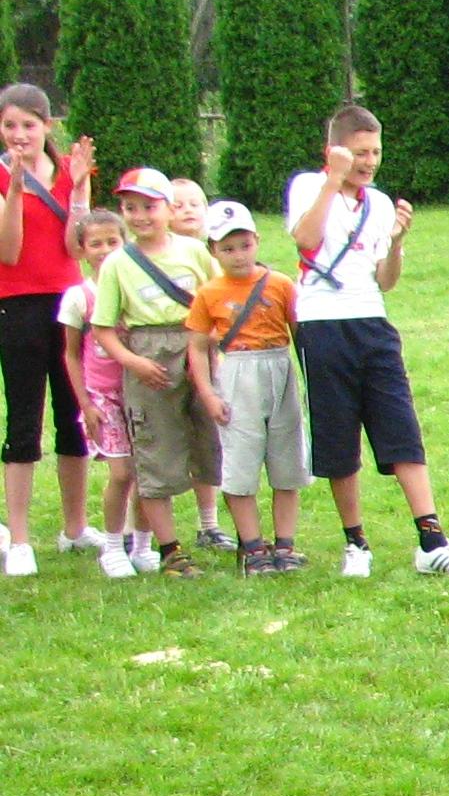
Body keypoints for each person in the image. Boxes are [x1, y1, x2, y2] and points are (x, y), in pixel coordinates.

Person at [286, 104, 449, 577]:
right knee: (338, 435)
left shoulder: (377, 203)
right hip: (322, 323)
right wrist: (333, 182)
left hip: (371, 322)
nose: (370, 162)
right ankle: (355, 543)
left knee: (399, 425)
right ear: (334, 152)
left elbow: (385, 280)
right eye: (360, 153)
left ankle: (432, 539)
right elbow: (306, 239)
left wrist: (396, 242)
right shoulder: (309, 187)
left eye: (375, 152)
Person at [89, 167, 220, 580]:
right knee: (154, 449)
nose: (140, 216)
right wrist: (134, 362)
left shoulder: (194, 252)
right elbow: (103, 327)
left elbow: (217, 301)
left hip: (195, 345)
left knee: (210, 442)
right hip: (147, 353)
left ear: (168, 209)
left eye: (149, 206)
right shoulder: (117, 264)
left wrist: (209, 351)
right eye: (131, 208)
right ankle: (170, 549)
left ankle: (232, 533)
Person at [0, 83, 93, 576]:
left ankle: (75, 528)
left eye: (29, 125)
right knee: (24, 420)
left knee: (74, 416)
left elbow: (77, 248)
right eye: (9, 125)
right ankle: (19, 539)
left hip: (69, 304)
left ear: (47, 126)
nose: (19, 135)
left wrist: (77, 189)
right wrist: (15, 190)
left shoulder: (68, 170)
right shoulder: (1, 175)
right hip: (16, 306)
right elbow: (9, 251)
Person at [184, 202, 307, 574]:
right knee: (240, 462)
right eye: (227, 248)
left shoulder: (280, 284)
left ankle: (285, 544)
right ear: (213, 250)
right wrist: (208, 393)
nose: (238, 255)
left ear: (257, 241)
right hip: (238, 370)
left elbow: (299, 334)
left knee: (287, 459)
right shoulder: (209, 293)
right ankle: (253, 547)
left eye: (244, 245)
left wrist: (310, 381)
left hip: (279, 367)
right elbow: (197, 346)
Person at [56, 208, 135, 572]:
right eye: (95, 244)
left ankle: (142, 544)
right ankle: (114, 546)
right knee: (121, 473)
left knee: (145, 473)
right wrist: (85, 404)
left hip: (140, 390)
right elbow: (71, 354)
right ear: (82, 249)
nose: (104, 250)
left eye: (112, 242)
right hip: (104, 396)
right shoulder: (79, 297)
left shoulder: (133, 289)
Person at [162, 176, 231, 555]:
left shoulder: (211, 257)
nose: (188, 210)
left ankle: (209, 524)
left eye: (195, 204)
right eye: (178, 204)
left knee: (208, 438)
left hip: (204, 352)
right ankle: (145, 532)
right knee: (162, 441)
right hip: (164, 349)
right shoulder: (154, 253)